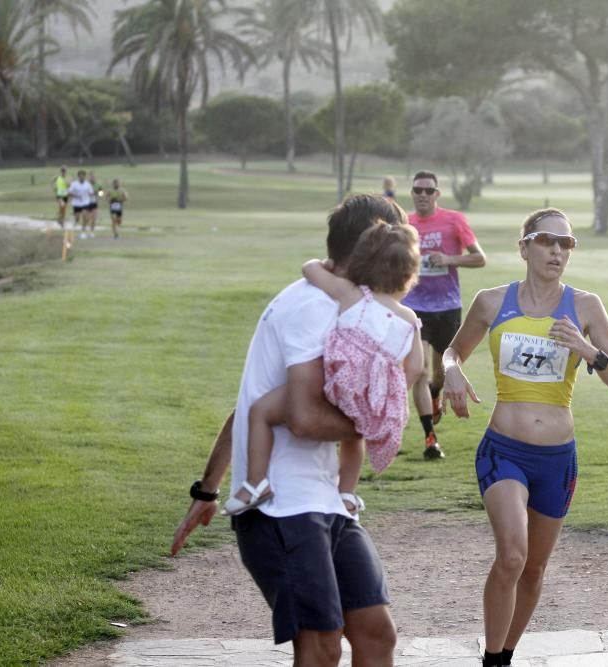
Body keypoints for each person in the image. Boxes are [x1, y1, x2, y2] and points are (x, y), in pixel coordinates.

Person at [171, 194, 406, 666]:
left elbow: (251, 403)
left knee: (376, 634)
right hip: (281, 506)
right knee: (321, 645)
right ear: (367, 248)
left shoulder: (348, 304)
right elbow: (299, 416)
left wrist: (207, 488)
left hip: (325, 500)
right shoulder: (312, 308)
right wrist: (376, 423)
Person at [440, 208, 608, 667]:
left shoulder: (585, 306)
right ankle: (492, 660)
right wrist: (451, 371)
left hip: (556, 459)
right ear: (525, 246)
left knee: (533, 569)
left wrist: (589, 352)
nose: (557, 251)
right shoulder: (492, 301)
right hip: (503, 450)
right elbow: (453, 350)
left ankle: (505, 655)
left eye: (566, 244)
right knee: (512, 555)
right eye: (548, 241)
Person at [224, 222, 424, 516]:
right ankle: (347, 494)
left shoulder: (352, 295)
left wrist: (324, 263)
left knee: (261, 411)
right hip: (370, 399)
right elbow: (416, 367)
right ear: (409, 275)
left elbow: (309, 270)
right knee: (354, 437)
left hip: (336, 387)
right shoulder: (409, 318)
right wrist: (385, 399)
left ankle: (255, 482)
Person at [402, 170, 487, 459]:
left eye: (429, 190)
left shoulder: (454, 221)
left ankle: (436, 395)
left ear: (437, 194)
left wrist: (449, 259)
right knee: (420, 371)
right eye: (418, 190)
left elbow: (479, 258)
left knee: (439, 374)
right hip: (414, 305)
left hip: (447, 306)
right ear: (412, 193)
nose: (423, 195)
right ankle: (430, 438)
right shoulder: (405, 224)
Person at [67, 170, 93, 239]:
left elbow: (91, 192)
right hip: (76, 203)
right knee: (77, 219)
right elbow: (69, 193)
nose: (82, 177)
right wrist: (76, 196)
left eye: (83, 176)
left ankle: (83, 232)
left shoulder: (88, 184)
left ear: (85, 176)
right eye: (80, 176)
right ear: (78, 176)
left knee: (85, 216)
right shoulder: (74, 184)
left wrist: (93, 194)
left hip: (85, 203)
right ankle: (74, 222)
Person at [85, 170, 103, 237]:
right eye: (90, 176)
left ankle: (92, 232)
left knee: (94, 218)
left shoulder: (98, 184)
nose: (92, 178)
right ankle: (85, 231)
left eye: (93, 176)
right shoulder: (86, 184)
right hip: (86, 203)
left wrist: (96, 193)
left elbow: (101, 193)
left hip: (94, 203)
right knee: (87, 218)